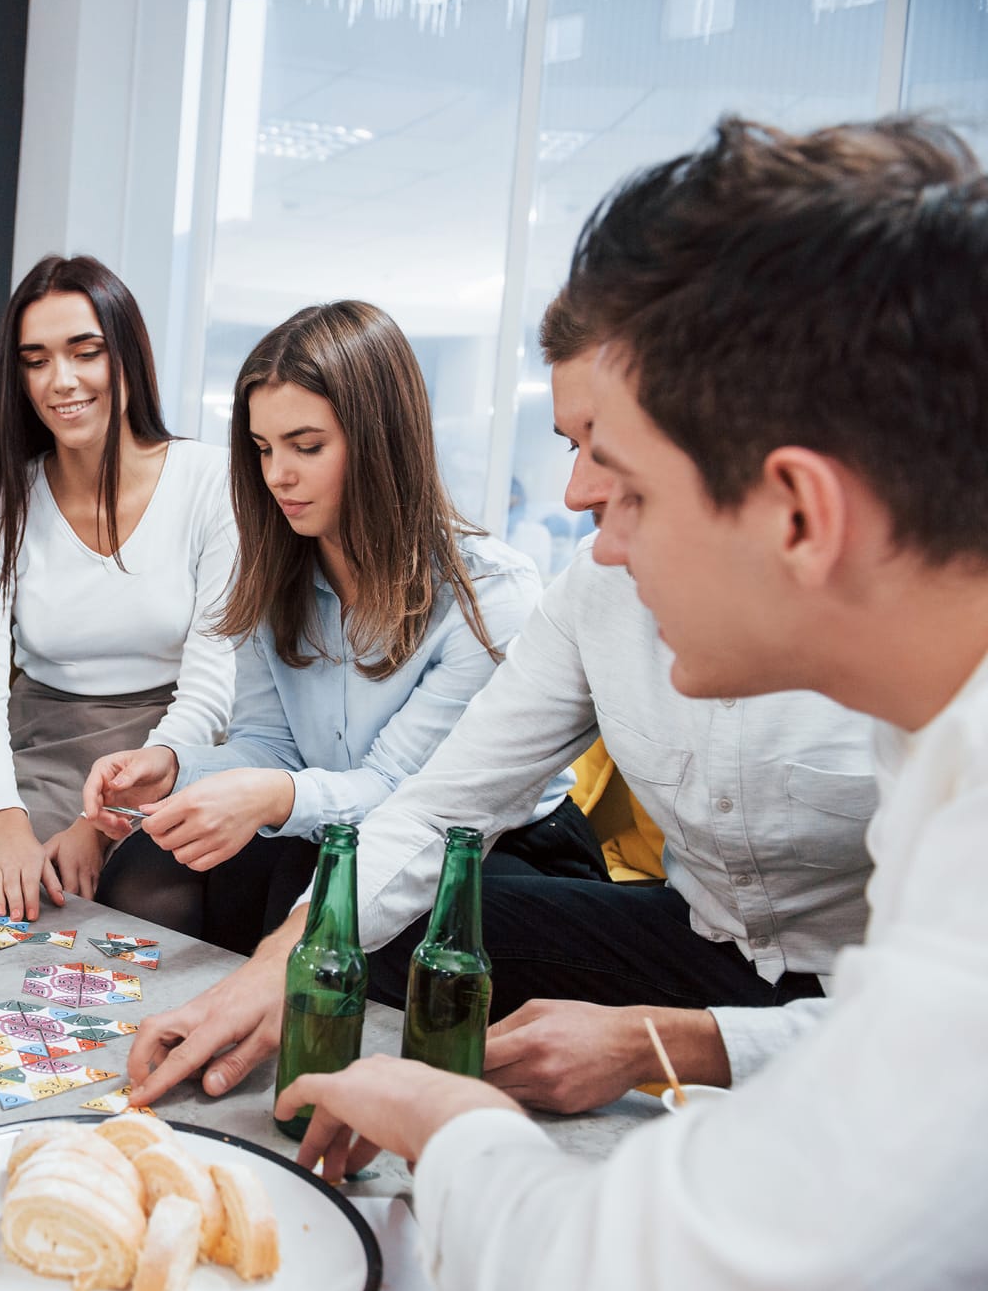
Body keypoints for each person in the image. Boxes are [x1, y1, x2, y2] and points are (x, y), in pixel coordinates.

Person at [280, 116, 988, 1291]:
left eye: (629, 484)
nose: (587, 522)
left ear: (799, 515)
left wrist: (454, 1126)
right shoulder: (933, 717)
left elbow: (626, 1287)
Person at [122, 290, 880, 1113]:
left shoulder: (910, 638)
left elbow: (947, 1027)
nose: (576, 492)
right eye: (570, 443)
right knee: (374, 923)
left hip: (863, 979)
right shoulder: (592, 592)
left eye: (608, 448)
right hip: (696, 935)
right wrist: (272, 972)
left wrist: (652, 1041)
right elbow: (437, 807)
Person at [84, 301, 595, 954]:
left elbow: (399, 794)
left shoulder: (487, 597)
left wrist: (270, 797)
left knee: (315, 885)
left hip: (492, 846)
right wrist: (173, 766)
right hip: (329, 815)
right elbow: (269, 742)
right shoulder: (274, 568)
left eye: (307, 446)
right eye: (264, 449)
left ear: (381, 441)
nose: (277, 476)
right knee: (144, 868)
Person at [0, 254, 237, 921]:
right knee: (7, 905)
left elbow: (213, 687)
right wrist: (6, 824)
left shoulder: (214, 484)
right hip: (44, 751)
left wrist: (104, 821)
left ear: (126, 355)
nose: (62, 379)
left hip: (174, 752)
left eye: (85, 352)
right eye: (37, 359)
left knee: (145, 907)